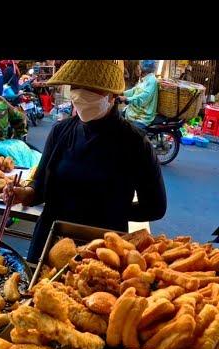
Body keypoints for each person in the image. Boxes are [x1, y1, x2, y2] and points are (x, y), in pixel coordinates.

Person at [13, 60, 167, 263]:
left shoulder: (135, 143)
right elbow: (40, 188)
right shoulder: (61, 131)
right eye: (75, 86)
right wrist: (24, 194)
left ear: (112, 95)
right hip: (50, 241)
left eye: (90, 88)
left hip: (104, 250)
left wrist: (111, 211)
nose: (80, 93)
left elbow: (155, 207)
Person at [119, 60, 159, 130]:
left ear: (144, 69)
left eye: (139, 67)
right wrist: (122, 93)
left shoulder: (152, 80)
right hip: (132, 111)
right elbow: (135, 90)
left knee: (130, 135)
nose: (137, 68)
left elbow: (144, 97)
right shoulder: (143, 79)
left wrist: (127, 99)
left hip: (141, 116)